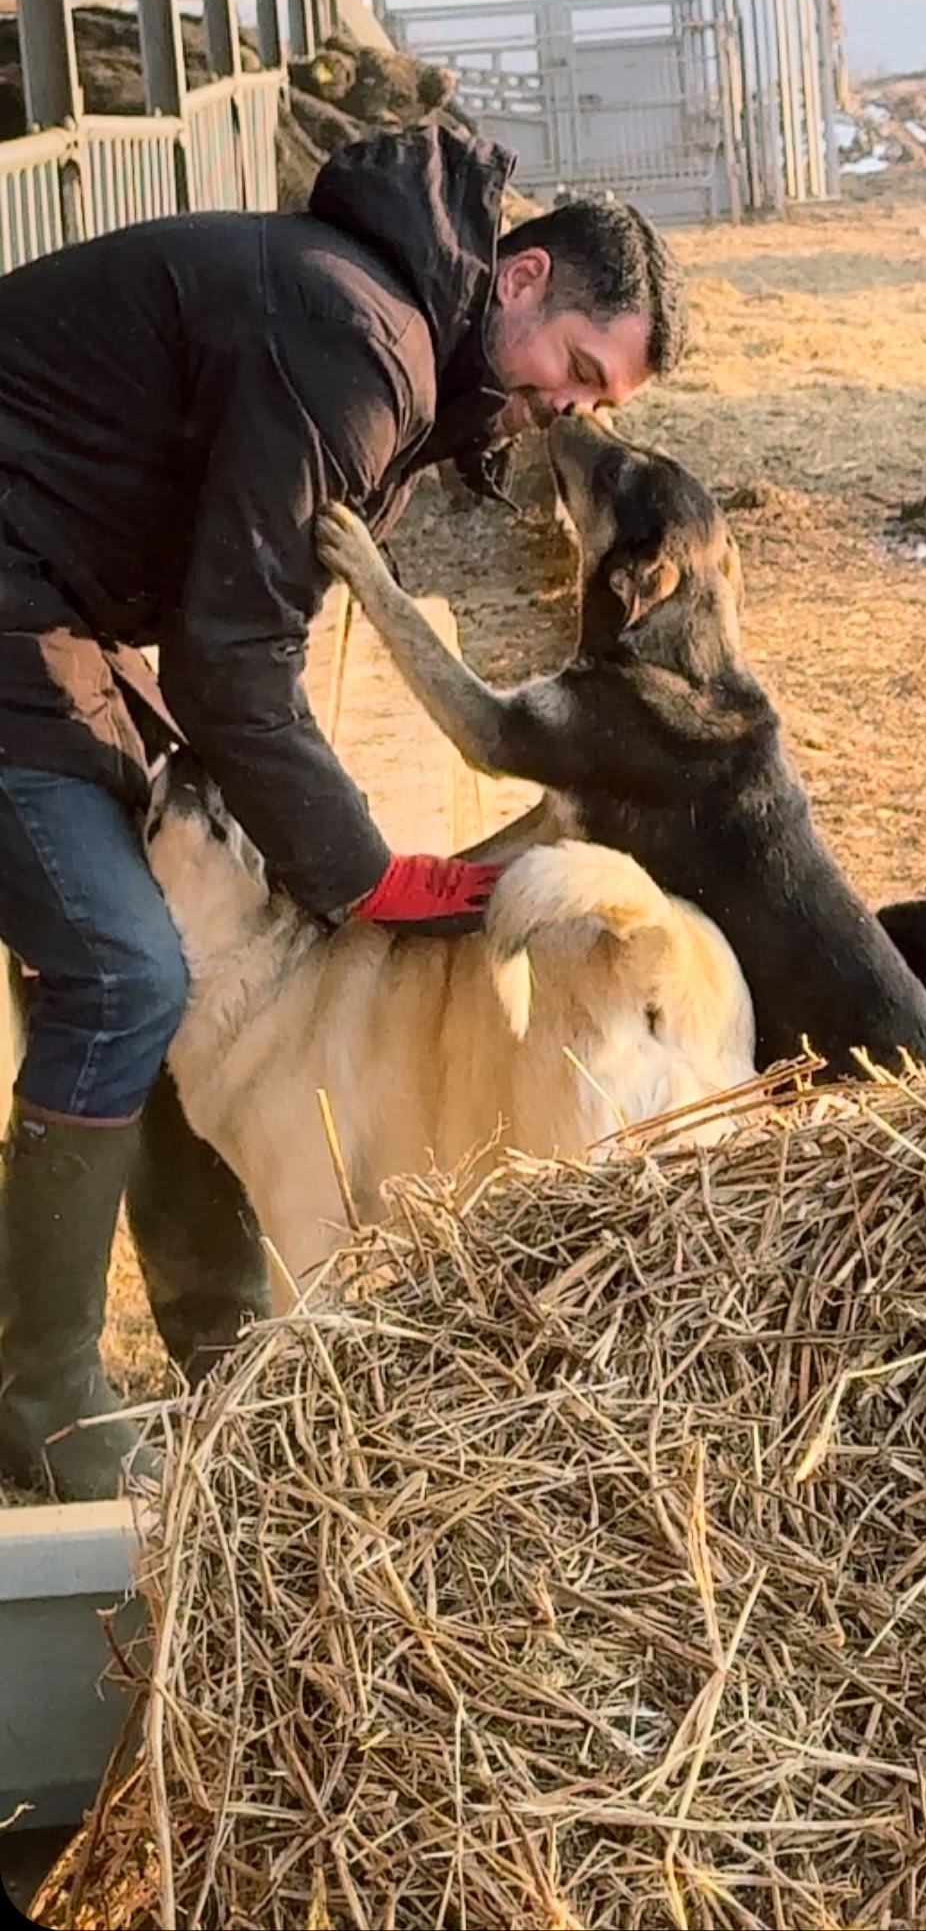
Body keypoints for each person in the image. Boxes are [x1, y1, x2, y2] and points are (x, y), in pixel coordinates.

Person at [0, 121, 686, 1499]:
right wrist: (366, 869)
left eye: (599, 399)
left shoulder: (382, 333)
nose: (571, 407)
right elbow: (230, 656)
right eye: (579, 368)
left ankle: (228, 1352)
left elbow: (233, 627)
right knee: (125, 964)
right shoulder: (357, 340)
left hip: (46, 594)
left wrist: (345, 855)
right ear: (523, 277)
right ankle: (46, 1397)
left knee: (153, 958)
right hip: (18, 591)